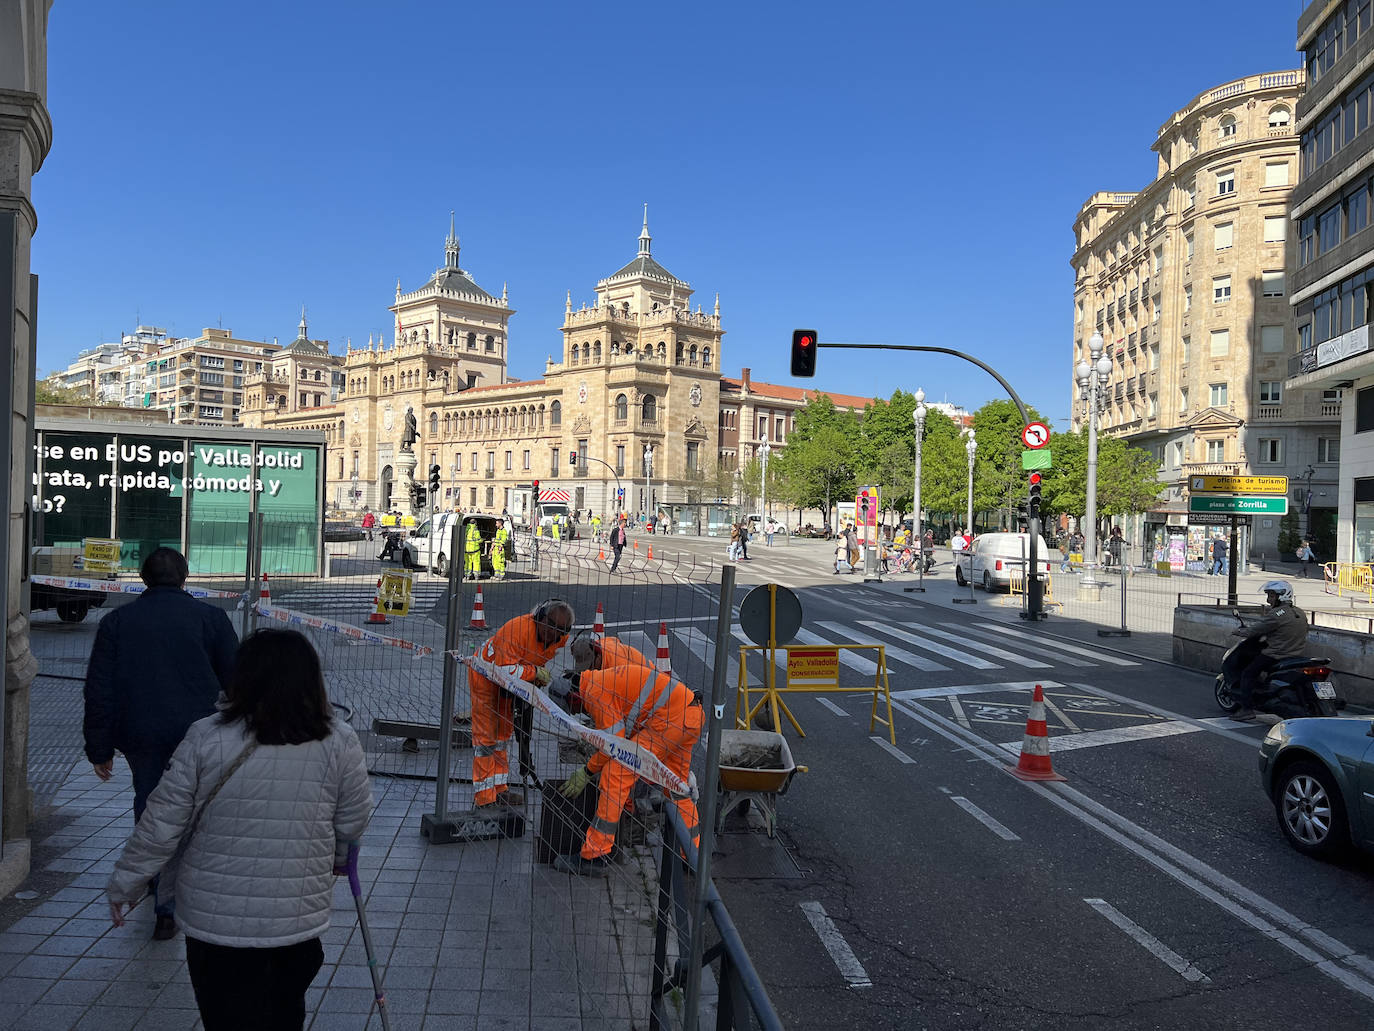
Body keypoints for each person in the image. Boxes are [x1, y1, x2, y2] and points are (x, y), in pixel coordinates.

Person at [106, 629, 372, 1028]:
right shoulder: (339, 740)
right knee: (285, 1013)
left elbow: (161, 822)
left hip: (214, 923)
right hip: (296, 918)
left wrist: (126, 883)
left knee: (225, 1018)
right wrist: (335, 860)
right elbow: (353, 818)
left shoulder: (206, 737)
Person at [84, 547, 238, 941]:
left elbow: (99, 689)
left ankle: (160, 897)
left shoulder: (118, 621)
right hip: (202, 733)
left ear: (143, 578)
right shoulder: (211, 618)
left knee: (151, 804)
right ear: (185, 577)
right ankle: (188, 886)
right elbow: (238, 681)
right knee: (198, 806)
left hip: (141, 732)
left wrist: (99, 747)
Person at [556, 663, 702, 876]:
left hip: (669, 721)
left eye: (574, 709)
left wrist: (586, 771)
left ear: (573, 697)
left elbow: (613, 745)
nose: (578, 712)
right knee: (677, 786)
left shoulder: (594, 692)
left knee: (616, 772)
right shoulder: (599, 679)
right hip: (691, 716)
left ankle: (595, 855)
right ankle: (692, 856)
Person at [469, 599, 574, 807]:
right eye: (549, 628)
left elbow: (535, 658)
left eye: (558, 632)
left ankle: (500, 790)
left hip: (510, 684)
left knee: (502, 736)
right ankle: (484, 798)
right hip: (486, 676)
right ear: (540, 618)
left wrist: (534, 677)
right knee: (486, 738)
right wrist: (533, 673)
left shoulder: (559, 638)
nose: (552, 636)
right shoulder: (517, 630)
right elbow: (504, 670)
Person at [1229, 581, 1309, 722]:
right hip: (1296, 654)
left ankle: (1246, 709)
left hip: (1276, 654)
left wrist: (1240, 631)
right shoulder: (1300, 612)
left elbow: (1256, 629)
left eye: (1272, 596)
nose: (1268, 599)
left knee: (1248, 673)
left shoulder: (1276, 615)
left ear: (1281, 596)